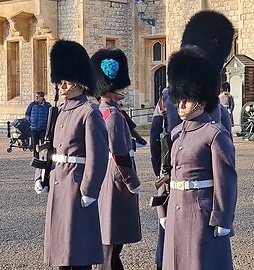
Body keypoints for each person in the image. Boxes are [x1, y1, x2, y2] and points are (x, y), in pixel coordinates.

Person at [162, 11, 237, 270]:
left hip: (200, 210)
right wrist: (162, 207)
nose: (180, 103)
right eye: (179, 99)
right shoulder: (176, 133)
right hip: (177, 207)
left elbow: (225, 179)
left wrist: (223, 218)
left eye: (186, 98)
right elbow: (166, 168)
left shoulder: (215, 133)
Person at [34, 40, 109, 270]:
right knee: (60, 253)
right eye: (61, 79)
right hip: (57, 183)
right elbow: (49, 148)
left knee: (77, 251)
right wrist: (40, 174)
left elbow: (98, 156)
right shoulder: (59, 111)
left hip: (76, 186)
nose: (62, 83)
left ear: (79, 81)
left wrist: (89, 189)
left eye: (66, 78)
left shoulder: (89, 113)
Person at [91, 48, 142, 270]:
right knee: (111, 241)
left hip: (109, 178)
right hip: (116, 182)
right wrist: (132, 182)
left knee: (112, 243)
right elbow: (119, 154)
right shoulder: (111, 115)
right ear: (111, 89)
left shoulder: (107, 110)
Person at [149, 87, 181, 270]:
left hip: (167, 164)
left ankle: (163, 261)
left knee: (166, 219)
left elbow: (155, 133)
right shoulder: (211, 98)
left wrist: (157, 168)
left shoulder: (165, 96)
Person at [25, 91, 51, 158]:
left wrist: (46, 123)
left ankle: (43, 158)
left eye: (38, 96)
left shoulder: (47, 106)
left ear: (42, 97)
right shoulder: (32, 105)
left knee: (43, 145)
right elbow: (27, 114)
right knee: (34, 145)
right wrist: (30, 120)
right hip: (34, 129)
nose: (36, 97)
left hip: (43, 128)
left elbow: (50, 116)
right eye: (36, 96)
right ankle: (35, 158)